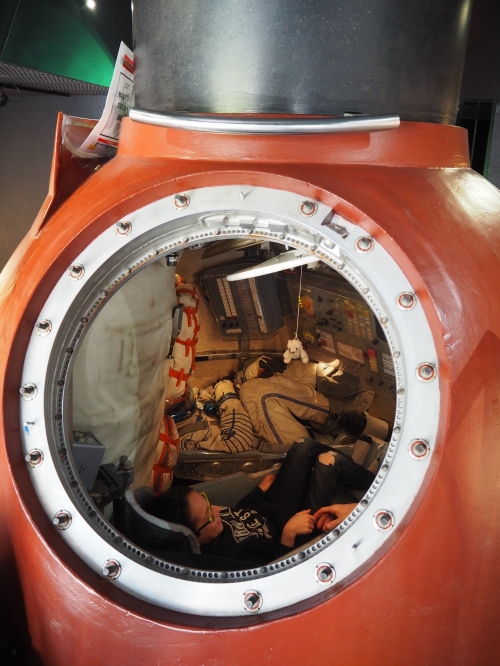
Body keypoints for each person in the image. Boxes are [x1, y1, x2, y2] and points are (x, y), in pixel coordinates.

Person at [150, 437, 375, 565]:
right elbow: (273, 571)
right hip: (296, 535)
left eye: (208, 502)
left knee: (303, 445)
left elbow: (239, 512)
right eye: (209, 514)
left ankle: (358, 472)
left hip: (274, 507)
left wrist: (258, 490)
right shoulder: (226, 558)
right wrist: (288, 533)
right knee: (328, 462)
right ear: (195, 539)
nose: (217, 509)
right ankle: (376, 484)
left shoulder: (210, 519)